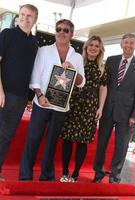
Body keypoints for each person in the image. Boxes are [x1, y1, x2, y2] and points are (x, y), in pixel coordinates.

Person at [19, 19, 85, 181]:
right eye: (59, 29)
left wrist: (73, 71)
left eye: (66, 30)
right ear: (55, 31)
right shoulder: (43, 51)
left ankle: (47, 175)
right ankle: (25, 174)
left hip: (61, 107)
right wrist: (39, 96)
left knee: (52, 142)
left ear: (72, 34)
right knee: (33, 138)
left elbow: (81, 82)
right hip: (41, 102)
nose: (62, 32)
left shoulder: (77, 57)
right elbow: (35, 75)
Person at [93, 33, 135, 183]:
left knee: (121, 147)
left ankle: (115, 176)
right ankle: (98, 173)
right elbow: (104, 85)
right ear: (121, 44)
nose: (128, 45)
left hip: (127, 113)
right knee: (102, 143)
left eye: (132, 43)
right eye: (126, 42)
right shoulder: (111, 60)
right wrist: (100, 107)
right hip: (108, 110)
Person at [60, 35, 107, 182]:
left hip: (90, 107)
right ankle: (64, 172)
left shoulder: (103, 67)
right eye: (90, 45)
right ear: (86, 48)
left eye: (96, 46)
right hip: (73, 103)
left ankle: (75, 174)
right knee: (67, 139)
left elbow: (103, 88)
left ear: (100, 50)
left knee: (82, 141)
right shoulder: (77, 62)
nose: (93, 48)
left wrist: (100, 107)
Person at [0, 4, 38, 181]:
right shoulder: (7, 34)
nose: (25, 18)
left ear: (34, 19)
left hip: (21, 98)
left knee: (6, 136)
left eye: (29, 15)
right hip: (3, 93)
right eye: (22, 14)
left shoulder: (34, 42)